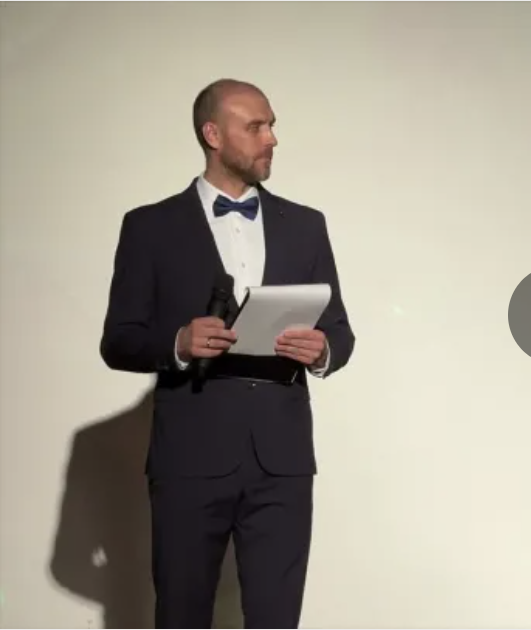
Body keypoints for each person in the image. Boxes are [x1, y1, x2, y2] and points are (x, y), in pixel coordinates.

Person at [99, 78, 356, 628]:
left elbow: (340, 331)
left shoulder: (305, 225)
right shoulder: (149, 226)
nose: (272, 139)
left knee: (276, 619)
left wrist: (323, 350)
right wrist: (178, 343)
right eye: (256, 127)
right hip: (190, 457)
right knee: (182, 615)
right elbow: (118, 339)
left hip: (282, 460)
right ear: (212, 135)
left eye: (272, 126)